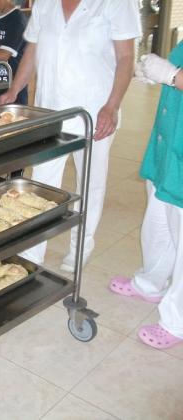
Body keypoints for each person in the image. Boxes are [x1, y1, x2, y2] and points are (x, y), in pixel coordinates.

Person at [0, 0, 141, 272]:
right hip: (50, 111)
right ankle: (33, 250)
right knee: (41, 183)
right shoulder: (45, 3)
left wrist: (112, 106)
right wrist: (15, 89)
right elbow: (33, 49)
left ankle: (81, 246)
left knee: (90, 183)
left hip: (95, 111)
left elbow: (125, 57)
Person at [109, 44, 183, 350]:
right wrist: (160, 74)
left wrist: (172, 75)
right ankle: (150, 283)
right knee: (159, 221)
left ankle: (177, 321)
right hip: (170, 147)